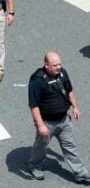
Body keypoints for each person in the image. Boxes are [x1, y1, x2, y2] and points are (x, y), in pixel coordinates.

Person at [28, 52, 90, 182]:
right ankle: (34, 166)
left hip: (63, 120)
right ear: (46, 65)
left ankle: (81, 173)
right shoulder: (37, 80)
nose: (58, 67)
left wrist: (75, 107)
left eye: (60, 64)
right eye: (55, 65)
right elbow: (34, 105)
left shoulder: (63, 73)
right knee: (41, 148)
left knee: (70, 147)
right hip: (47, 123)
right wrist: (40, 125)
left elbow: (70, 91)